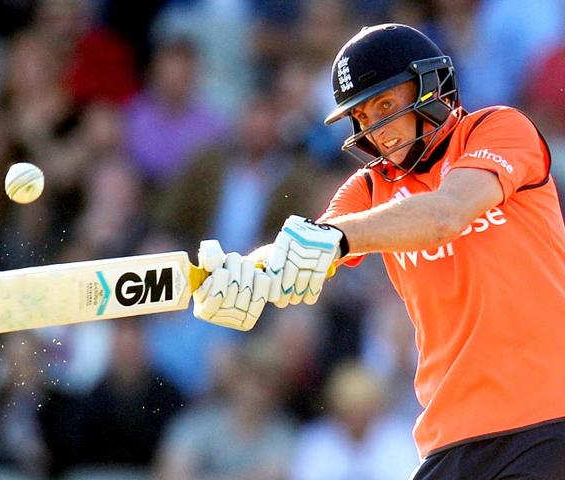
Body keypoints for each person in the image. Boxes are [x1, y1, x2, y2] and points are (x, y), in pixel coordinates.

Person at [192, 23, 565, 479]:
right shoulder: (369, 189)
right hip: (452, 437)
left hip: (549, 418)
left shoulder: (498, 128)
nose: (379, 131)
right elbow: (310, 247)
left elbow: (445, 214)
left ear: (431, 86)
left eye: (386, 105)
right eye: (364, 117)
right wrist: (243, 275)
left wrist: (336, 239)